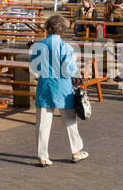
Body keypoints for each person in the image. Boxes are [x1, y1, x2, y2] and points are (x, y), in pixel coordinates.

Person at [30, 14, 86, 166]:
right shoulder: (66, 47)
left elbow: (34, 68)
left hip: (45, 85)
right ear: (63, 30)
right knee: (69, 121)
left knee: (43, 123)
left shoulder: (38, 45)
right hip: (63, 87)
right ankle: (76, 151)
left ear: (48, 28)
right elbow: (68, 70)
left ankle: (43, 156)